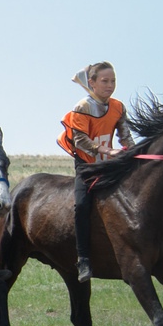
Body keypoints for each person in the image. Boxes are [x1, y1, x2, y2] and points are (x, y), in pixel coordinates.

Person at [56, 61, 134, 283]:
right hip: (88, 166)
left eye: (113, 81)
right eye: (105, 81)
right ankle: (83, 259)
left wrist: (133, 151)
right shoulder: (82, 107)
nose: (110, 85)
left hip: (110, 164)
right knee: (81, 206)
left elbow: (125, 136)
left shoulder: (118, 106)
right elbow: (80, 140)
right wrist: (106, 150)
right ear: (92, 83)